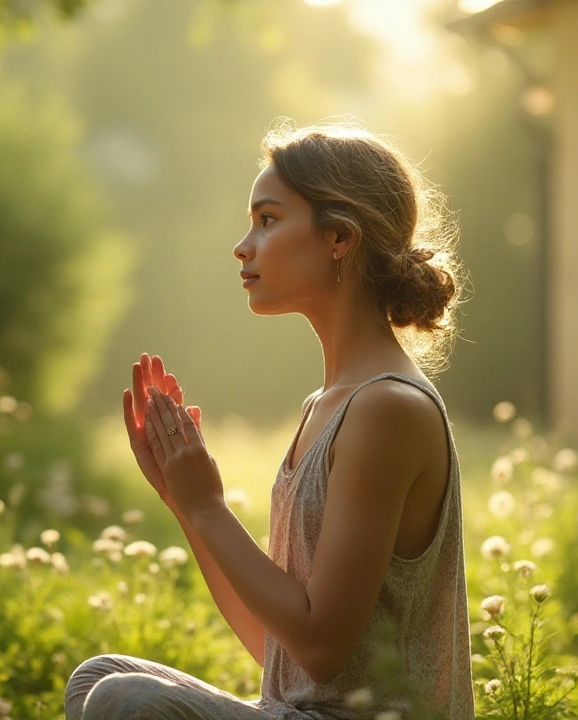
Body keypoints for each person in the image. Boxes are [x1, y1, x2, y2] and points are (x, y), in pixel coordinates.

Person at [64, 119, 473, 720]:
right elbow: (283, 652)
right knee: (96, 678)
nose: (243, 244)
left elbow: (321, 645)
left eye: (268, 219)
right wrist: (185, 505)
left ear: (339, 237)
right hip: (298, 709)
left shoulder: (387, 408)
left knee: (124, 701)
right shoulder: (327, 403)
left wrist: (210, 507)